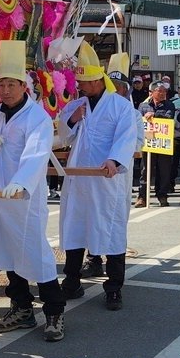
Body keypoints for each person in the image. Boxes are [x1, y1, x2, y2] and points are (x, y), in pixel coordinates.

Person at [0, 41, 65, 341]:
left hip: (23, 197)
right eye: (1, 85)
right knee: (8, 253)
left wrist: (22, 181)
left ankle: (54, 311)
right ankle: (22, 307)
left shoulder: (36, 117)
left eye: (11, 84)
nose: (5, 91)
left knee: (35, 252)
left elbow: (37, 154)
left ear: (23, 85)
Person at [58, 43, 138, 311]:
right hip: (79, 179)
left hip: (105, 179)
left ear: (97, 80)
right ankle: (71, 281)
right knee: (75, 228)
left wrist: (114, 159)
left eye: (84, 82)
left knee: (110, 230)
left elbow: (127, 138)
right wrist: (72, 120)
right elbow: (62, 134)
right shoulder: (77, 105)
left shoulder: (120, 106)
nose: (80, 86)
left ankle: (114, 288)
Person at [138, 81, 177, 206]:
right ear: (152, 92)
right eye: (159, 91)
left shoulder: (169, 105)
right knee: (146, 170)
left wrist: (154, 115)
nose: (162, 93)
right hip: (148, 142)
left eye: (164, 91)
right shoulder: (143, 106)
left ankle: (162, 195)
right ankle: (142, 196)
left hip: (163, 142)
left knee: (164, 170)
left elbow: (169, 117)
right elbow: (138, 120)